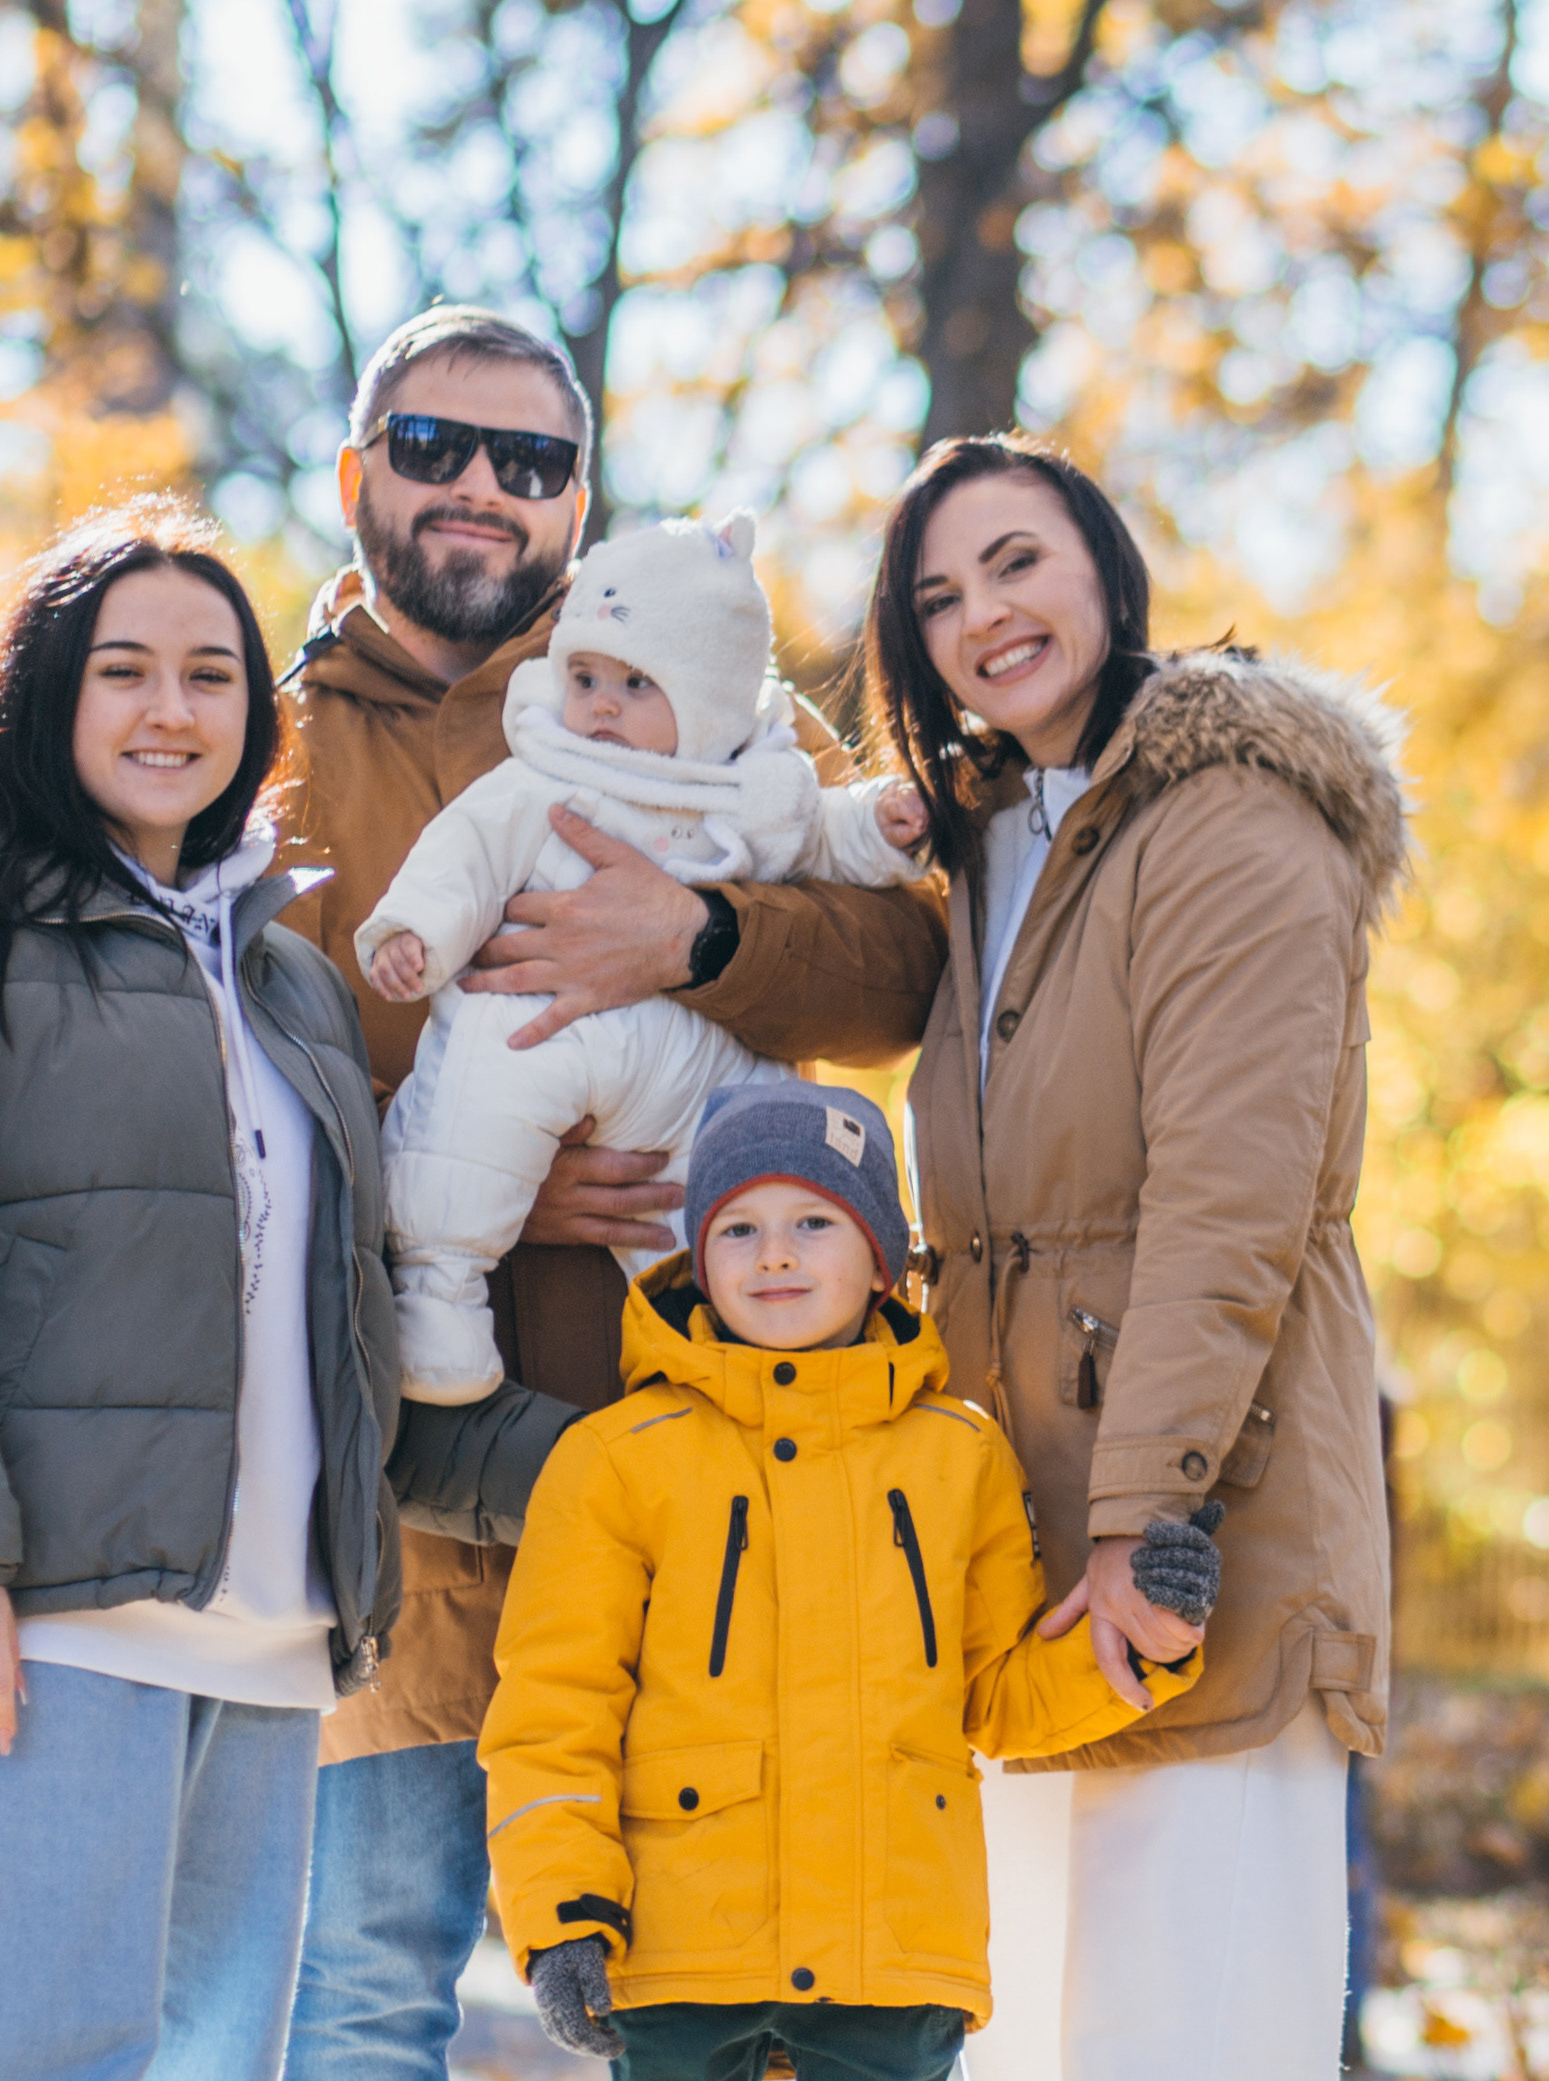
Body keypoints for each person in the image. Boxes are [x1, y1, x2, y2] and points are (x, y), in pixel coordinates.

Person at [278, 306, 950, 2081]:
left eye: (534, 459)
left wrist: (700, 935)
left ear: (579, 503)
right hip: (403, 1518)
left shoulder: (722, 710)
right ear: (361, 476)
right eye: (437, 448)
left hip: (707, 1492)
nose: (485, 487)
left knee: (717, 2009)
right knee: (358, 1998)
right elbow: (216, 1095)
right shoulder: (270, 752)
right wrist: (473, 1148)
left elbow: (897, 976)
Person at [0, 499, 406, 2081]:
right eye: (124, 669)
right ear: (45, 694)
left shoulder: (284, 974)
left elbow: (342, 1319)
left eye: (210, 675)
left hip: (263, 1642)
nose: (171, 710)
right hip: (35, 1625)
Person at [868, 434, 1405, 2081]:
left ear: (1108, 570)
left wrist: (1138, 1521)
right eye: (939, 594)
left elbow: (1230, 1201)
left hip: (1195, 1545)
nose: (983, 614)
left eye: (1017, 560)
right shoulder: (997, 841)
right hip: (1020, 1565)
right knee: (1038, 2041)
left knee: (1185, 2040)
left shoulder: (1230, 820)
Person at [479, 1082, 1209, 2081]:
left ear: (880, 1262)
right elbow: (551, 1709)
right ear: (696, 1261)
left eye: (812, 1220)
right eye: (736, 1227)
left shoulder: (960, 1456)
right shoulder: (616, 1459)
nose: (772, 1252)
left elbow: (993, 1693)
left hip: (892, 1954)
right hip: (682, 1952)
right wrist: (561, 1910)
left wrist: (1140, 1640)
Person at [359, 508, 930, 1404]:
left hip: (695, 1058)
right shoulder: (542, 768)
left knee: (746, 1174)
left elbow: (827, 842)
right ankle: (439, 1294)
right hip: (541, 1028)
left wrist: (882, 829)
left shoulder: (752, 778)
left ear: (705, 701)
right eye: (583, 676)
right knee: (469, 1101)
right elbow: (461, 855)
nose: (600, 705)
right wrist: (417, 935)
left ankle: (756, 1364)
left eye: (634, 683)